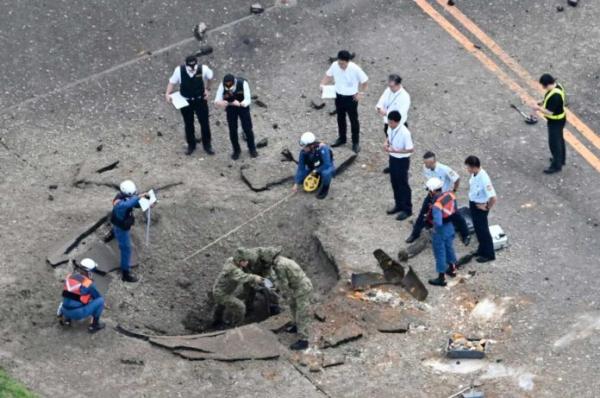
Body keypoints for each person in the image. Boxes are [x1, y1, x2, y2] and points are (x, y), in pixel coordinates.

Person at [406, 151, 470, 245]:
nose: (424, 164)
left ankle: (465, 235)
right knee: (423, 213)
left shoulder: (444, 169)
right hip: (432, 194)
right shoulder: (425, 168)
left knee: (455, 215)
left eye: (426, 163)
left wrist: (453, 191)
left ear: (433, 162)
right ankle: (415, 234)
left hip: (445, 196)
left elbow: (456, 178)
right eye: (424, 162)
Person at [165, 54, 215, 156]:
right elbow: (171, 82)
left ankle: (207, 145)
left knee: (204, 123)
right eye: (190, 67)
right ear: (186, 65)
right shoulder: (179, 71)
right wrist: (167, 93)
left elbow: (210, 77)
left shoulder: (203, 69)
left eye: (194, 67)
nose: (192, 69)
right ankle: (191, 145)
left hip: (200, 100)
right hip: (186, 101)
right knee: (188, 124)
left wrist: (208, 89)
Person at [320, 50, 368, 153]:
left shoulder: (355, 69)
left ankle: (355, 142)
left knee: (353, 120)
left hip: (351, 97)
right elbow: (328, 75)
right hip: (338, 96)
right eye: (339, 63)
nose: (340, 65)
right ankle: (342, 138)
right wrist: (322, 84)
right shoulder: (334, 65)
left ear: (348, 61)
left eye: (342, 63)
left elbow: (365, 81)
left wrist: (361, 93)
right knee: (340, 118)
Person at [266, 251, 313, 351]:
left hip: (302, 288)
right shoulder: (281, 260)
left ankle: (304, 340)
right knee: (293, 305)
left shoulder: (280, 266)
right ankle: (296, 325)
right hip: (296, 288)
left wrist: (280, 292)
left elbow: (284, 284)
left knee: (302, 313)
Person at [212, 249, 265, 327]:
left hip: (223, 290)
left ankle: (216, 322)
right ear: (239, 260)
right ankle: (235, 326)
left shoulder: (233, 260)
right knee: (241, 307)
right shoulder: (232, 269)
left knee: (221, 305)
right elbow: (242, 277)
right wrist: (254, 278)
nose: (247, 262)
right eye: (245, 261)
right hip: (221, 293)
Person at [111, 180, 149, 283]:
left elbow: (134, 201)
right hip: (121, 228)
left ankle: (111, 234)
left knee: (115, 226)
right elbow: (129, 203)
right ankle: (125, 273)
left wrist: (147, 201)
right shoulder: (120, 205)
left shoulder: (123, 196)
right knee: (126, 250)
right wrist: (139, 197)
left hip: (118, 222)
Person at [214, 74, 258, 160]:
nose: (228, 87)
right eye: (226, 85)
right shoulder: (222, 85)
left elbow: (248, 99)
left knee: (247, 128)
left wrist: (240, 104)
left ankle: (252, 148)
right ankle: (236, 150)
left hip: (243, 107)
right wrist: (221, 103)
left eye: (230, 85)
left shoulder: (243, 83)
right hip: (230, 108)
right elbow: (217, 100)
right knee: (232, 129)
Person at [425, 178, 458, 287]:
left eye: (429, 190)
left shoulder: (436, 206)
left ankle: (441, 278)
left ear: (432, 191)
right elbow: (454, 210)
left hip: (440, 231)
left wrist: (431, 223)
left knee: (440, 253)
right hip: (450, 227)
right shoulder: (450, 195)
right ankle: (452, 270)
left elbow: (438, 222)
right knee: (449, 248)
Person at [57, 258, 105, 333]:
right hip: (77, 314)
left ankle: (67, 321)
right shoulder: (88, 283)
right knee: (100, 301)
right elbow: (97, 297)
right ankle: (94, 326)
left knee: (70, 297)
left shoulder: (69, 277)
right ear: (89, 272)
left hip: (64, 309)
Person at [530, 73, 567, 174]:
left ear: (547, 84)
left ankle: (556, 165)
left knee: (554, 144)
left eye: (543, 86)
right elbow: (548, 101)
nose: (543, 88)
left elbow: (549, 112)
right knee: (559, 140)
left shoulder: (555, 96)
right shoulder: (557, 87)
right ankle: (561, 159)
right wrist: (541, 102)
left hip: (555, 122)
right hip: (560, 120)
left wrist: (538, 108)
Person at [376, 74, 411, 173]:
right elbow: (381, 101)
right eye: (389, 85)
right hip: (388, 124)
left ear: (398, 84)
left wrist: (386, 113)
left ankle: (402, 168)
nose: (390, 88)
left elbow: (400, 114)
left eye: (392, 86)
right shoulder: (388, 90)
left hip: (399, 125)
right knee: (391, 146)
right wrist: (379, 108)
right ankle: (393, 166)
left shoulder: (405, 97)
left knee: (400, 148)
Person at [465, 156, 497, 263]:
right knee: (478, 229)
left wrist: (487, 207)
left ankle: (489, 254)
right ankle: (481, 249)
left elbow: (493, 197)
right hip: (474, 204)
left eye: (468, 167)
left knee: (483, 230)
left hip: (480, 207)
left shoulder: (484, 178)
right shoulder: (474, 174)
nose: (467, 169)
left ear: (474, 167)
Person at [385, 111, 414, 220]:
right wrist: (386, 142)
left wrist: (397, 151)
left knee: (403, 184)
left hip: (402, 160)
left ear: (396, 122)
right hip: (392, 158)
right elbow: (389, 136)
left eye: (391, 123)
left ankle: (407, 209)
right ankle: (398, 204)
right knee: (394, 182)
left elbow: (410, 149)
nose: (389, 124)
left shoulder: (405, 133)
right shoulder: (390, 128)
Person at [292, 132, 336, 200]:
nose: (303, 148)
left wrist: (316, 171)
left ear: (311, 146)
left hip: (324, 167)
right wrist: (296, 183)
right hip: (313, 167)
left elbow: (327, 164)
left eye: (305, 146)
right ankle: (317, 178)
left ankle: (325, 187)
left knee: (326, 173)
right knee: (301, 177)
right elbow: (301, 167)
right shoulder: (303, 152)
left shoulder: (323, 148)